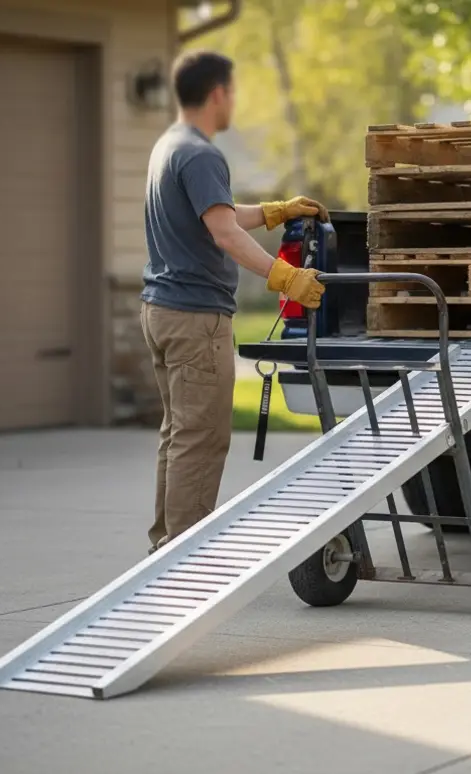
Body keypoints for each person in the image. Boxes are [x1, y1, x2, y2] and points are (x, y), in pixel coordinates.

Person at [141, 50, 327, 554]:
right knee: (201, 439)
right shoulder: (201, 154)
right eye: (233, 92)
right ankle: (185, 555)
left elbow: (217, 215)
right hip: (195, 317)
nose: (234, 102)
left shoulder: (169, 146)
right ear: (218, 93)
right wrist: (285, 277)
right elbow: (223, 233)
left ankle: (164, 547)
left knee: (178, 434)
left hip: (162, 310)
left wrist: (272, 212)